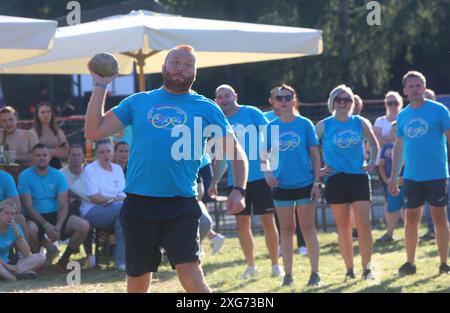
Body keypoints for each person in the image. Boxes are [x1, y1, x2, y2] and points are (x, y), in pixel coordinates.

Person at [85, 44, 248, 293]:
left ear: (195, 73)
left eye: (187, 64)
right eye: (175, 62)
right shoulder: (139, 102)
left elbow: (236, 153)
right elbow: (93, 131)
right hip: (139, 204)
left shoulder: (206, 108)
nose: (180, 68)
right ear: (164, 68)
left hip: (180, 204)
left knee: (191, 274)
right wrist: (100, 85)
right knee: (138, 282)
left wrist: (239, 189)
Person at [211, 84, 283, 279]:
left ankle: (276, 265)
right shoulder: (219, 122)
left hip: (260, 177)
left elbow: (270, 138)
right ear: (216, 101)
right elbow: (221, 156)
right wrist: (214, 180)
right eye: (220, 97)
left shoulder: (251, 112)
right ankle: (251, 266)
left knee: (268, 221)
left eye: (227, 95)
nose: (224, 99)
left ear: (235, 95)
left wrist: (268, 168)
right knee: (242, 224)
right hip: (237, 184)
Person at [316, 84, 379, 280]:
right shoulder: (324, 125)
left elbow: (375, 145)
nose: (343, 103)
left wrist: (372, 163)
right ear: (332, 102)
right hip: (335, 179)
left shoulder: (359, 122)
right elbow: (307, 148)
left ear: (353, 103)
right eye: (339, 99)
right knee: (343, 226)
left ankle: (367, 269)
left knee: (364, 225)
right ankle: (349, 269)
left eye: (347, 100)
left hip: (358, 177)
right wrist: (318, 170)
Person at [389, 71, 450, 276]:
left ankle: (443, 263)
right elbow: (399, 147)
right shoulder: (403, 115)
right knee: (411, 219)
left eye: (418, 86)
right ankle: (410, 263)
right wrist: (393, 176)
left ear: (424, 88)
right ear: (405, 91)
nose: (415, 89)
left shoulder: (439, 110)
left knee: (439, 218)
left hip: (436, 175)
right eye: (411, 86)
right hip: (412, 177)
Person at [262, 84, 322, 287]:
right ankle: (288, 275)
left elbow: (315, 155)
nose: (284, 101)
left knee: (308, 228)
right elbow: (263, 155)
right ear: (275, 102)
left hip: (305, 184)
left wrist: (316, 182)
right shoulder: (271, 127)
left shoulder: (305, 124)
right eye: (280, 98)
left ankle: (315, 274)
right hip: (282, 186)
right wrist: (267, 172)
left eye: (288, 97)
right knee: (286, 229)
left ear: (294, 99)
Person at [18, 143, 90, 270]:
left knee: (84, 225)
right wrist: (45, 225)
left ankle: (64, 260)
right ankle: (36, 262)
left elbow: (63, 203)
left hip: (57, 215)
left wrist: (59, 226)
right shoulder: (25, 176)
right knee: (30, 228)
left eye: (44, 155)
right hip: (36, 216)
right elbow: (28, 206)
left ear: (50, 157)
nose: (41, 158)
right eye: (38, 155)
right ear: (32, 157)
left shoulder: (58, 175)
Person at [80, 139, 126, 271]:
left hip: (117, 208)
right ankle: (122, 260)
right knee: (125, 208)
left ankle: (121, 262)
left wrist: (113, 201)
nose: (105, 154)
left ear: (113, 153)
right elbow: (94, 197)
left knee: (123, 219)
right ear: (96, 155)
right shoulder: (90, 169)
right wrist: (112, 200)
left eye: (108, 151)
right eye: (101, 152)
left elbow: (123, 193)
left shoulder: (117, 169)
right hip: (93, 211)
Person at [59, 144, 95, 268]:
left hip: (90, 205)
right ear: (68, 157)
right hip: (71, 208)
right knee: (82, 217)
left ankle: (90, 255)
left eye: (78, 155)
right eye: (73, 155)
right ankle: (88, 255)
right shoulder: (61, 174)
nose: (75, 157)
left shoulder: (89, 172)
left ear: (83, 157)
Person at [0, 199, 45, 281]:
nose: (10, 216)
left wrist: (18, 234)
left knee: (40, 257)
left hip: (8, 264)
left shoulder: (14, 227)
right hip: (4, 264)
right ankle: (12, 277)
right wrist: (7, 266)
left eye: (13, 214)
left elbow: (27, 253)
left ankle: (6, 275)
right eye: (6, 213)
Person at [376, 121, 405, 243]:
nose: (395, 133)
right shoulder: (386, 148)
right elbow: (381, 165)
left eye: (397, 130)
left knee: (407, 208)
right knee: (392, 209)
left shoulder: (408, 146)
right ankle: (389, 233)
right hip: (391, 183)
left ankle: (411, 233)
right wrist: (385, 179)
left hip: (406, 182)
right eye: (393, 131)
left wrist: (404, 178)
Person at [420, 88, 438, 241]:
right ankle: (431, 229)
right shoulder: (416, 120)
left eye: (430, 98)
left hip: (442, 167)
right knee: (427, 202)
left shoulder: (442, 115)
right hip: (424, 169)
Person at [31, 102, 69, 169]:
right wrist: (56, 150)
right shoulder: (33, 132)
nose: (46, 114)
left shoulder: (58, 131)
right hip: (39, 167)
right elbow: (36, 152)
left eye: (48, 112)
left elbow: (66, 153)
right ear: (37, 115)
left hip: (56, 166)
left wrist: (49, 151)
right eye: (43, 112)